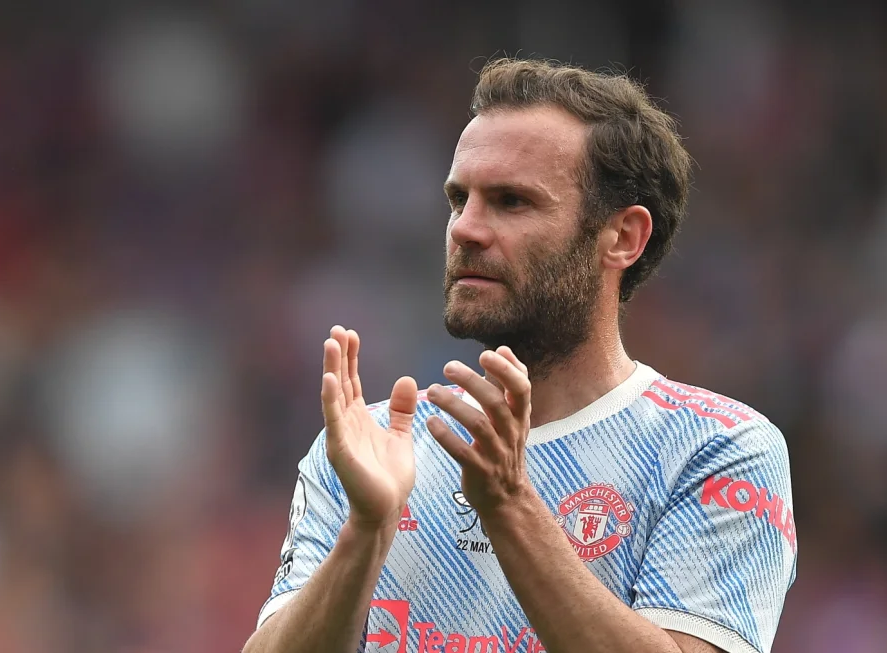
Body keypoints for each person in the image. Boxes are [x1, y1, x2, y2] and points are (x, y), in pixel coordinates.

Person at [244, 58, 796, 653]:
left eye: (511, 202)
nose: (466, 229)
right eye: (461, 199)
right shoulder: (373, 448)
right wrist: (366, 533)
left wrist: (509, 504)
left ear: (623, 237)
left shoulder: (716, 450)